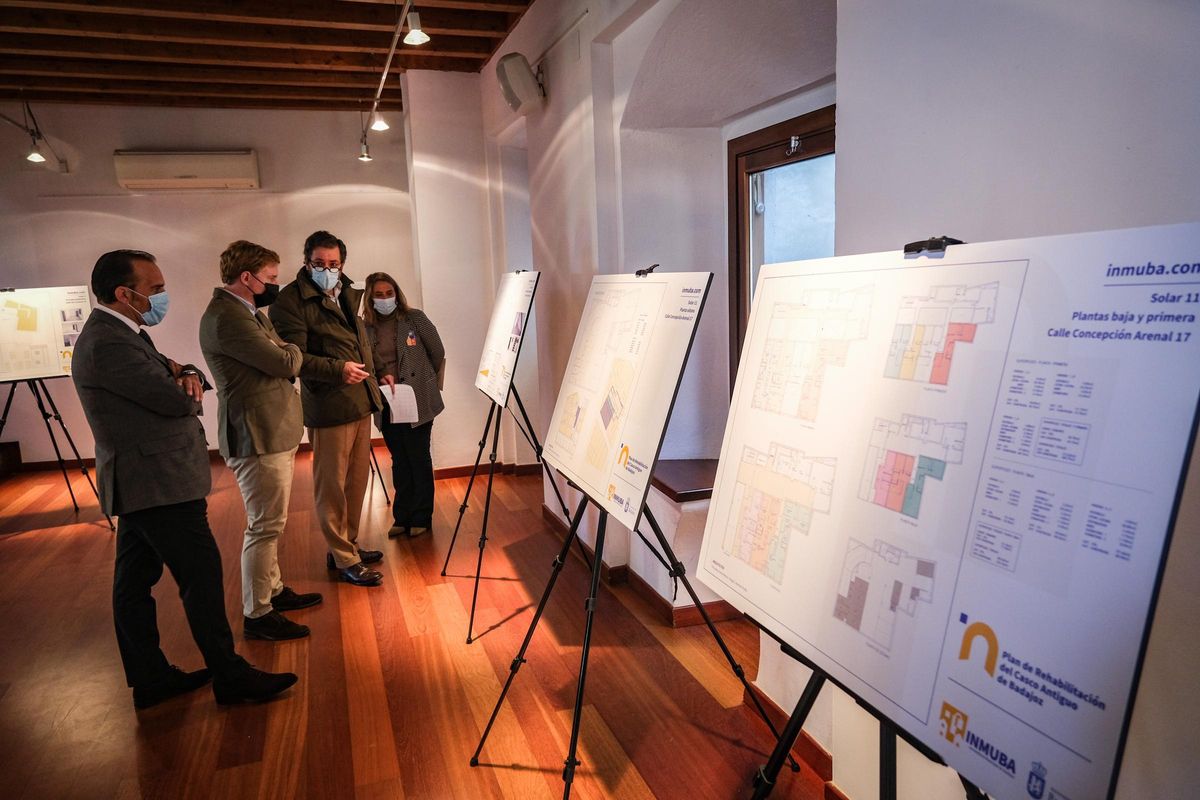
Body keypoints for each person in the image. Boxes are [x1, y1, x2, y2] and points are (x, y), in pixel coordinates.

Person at [71, 249, 297, 708]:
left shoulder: (124, 332)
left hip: (148, 479)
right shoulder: (109, 342)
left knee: (134, 583)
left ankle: (151, 678)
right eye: (154, 290)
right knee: (201, 577)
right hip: (156, 482)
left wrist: (187, 373)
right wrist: (182, 384)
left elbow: (184, 374)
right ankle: (230, 676)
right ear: (123, 293)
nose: (161, 297)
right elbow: (175, 398)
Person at [199, 241, 322, 641]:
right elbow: (286, 361)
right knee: (265, 526)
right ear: (247, 278)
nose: (276, 285)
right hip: (256, 433)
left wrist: (282, 349)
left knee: (273, 521)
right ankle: (257, 613)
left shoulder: (247, 311)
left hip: (271, 429)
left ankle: (272, 590)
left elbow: (280, 355)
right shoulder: (227, 318)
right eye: (270, 278)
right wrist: (289, 348)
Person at [272, 230, 386, 586]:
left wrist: (377, 378)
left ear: (342, 264)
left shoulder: (349, 292)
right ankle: (344, 557)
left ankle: (346, 546)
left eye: (333, 264)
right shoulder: (290, 302)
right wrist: (338, 370)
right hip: (329, 404)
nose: (327, 269)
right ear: (306, 262)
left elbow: (360, 343)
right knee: (332, 486)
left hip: (360, 400)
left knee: (357, 481)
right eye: (319, 263)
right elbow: (296, 359)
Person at [362, 272, 445, 537]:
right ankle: (402, 516)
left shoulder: (414, 318)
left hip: (417, 399)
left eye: (389, 293)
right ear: (369, 297)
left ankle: (421, 516)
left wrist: (421, 381)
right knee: (399, 459)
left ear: (397, 294)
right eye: (379, 294)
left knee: (418, 457)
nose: (385, 298)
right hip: (386, 401)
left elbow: (437, 352)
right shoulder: (364, 327)